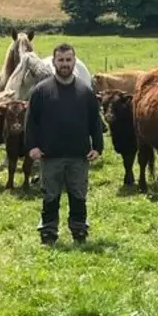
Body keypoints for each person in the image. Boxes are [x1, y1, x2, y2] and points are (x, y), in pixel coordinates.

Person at [24, 42, 104, 246]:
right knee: (50, 196)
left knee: (78, 195)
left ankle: (79, 231)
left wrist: (97, 147)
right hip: (49, 156)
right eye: (61, 60)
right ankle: (48, 232)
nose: (65, 64)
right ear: (54, 62)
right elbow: (31, 121)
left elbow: (95, 121)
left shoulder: (85, 92)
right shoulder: (41, 91)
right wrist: (32, 146)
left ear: (74, 61)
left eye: (68, 59)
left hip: (79, 155)